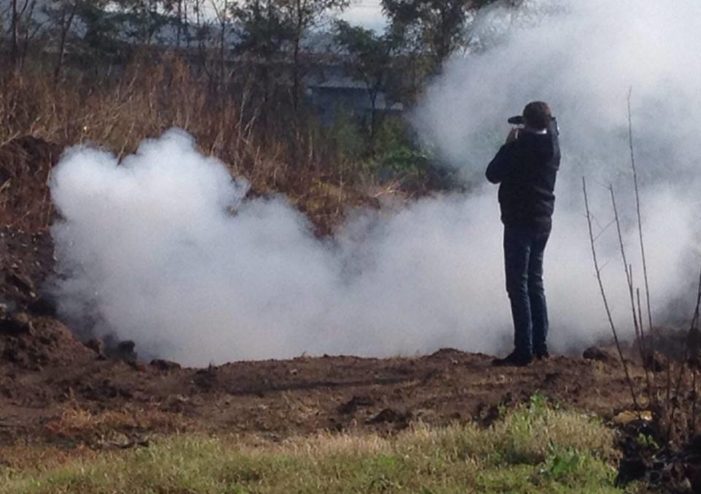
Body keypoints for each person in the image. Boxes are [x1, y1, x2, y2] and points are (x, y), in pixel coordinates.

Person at [485, 101, 561, 366]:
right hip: (542, 222)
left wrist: (508, 144)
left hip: (519, 222)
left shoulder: (519, 149)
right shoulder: (553, 146)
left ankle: (523, 351)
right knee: (535, 283)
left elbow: (492, 174)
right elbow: (550, 129)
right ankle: (540, 346)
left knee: (518, 286)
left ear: (526, 124)